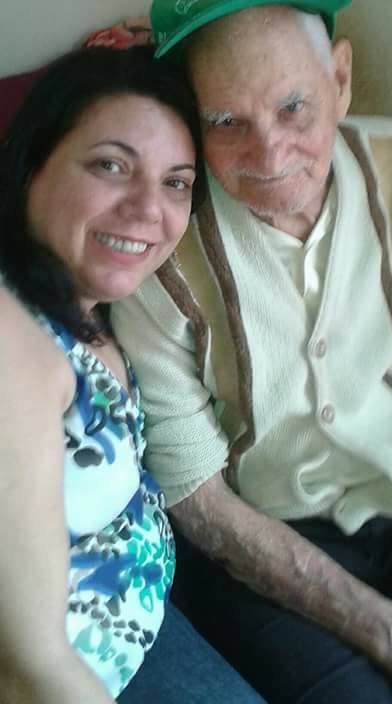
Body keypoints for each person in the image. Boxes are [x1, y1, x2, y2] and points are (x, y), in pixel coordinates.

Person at [112, 3, 392, 703]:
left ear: (339, 79)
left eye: (293, 107)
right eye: (226, 121)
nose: (270, 157)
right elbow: (197, 496)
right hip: (264, 540)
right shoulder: (157, 244)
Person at [0, 45, 266, 704]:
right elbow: (31, 667)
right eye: (111, 166)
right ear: (30, 166)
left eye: (176, 182)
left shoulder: (103, 307)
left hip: (143, 621)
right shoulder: (14, 336)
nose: (150, 209)